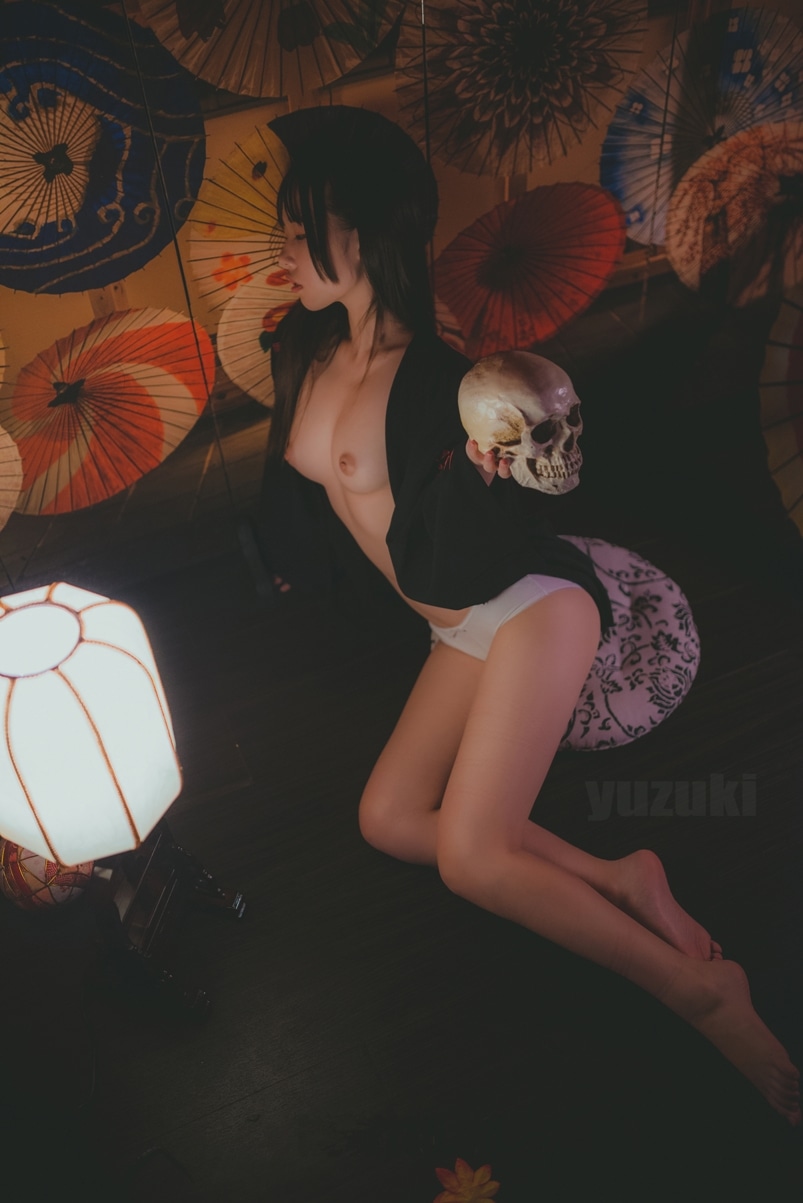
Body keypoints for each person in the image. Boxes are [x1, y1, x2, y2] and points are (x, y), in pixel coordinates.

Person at [257, 128, 800, 1126]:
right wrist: (284, 568)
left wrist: (479, 479)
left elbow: (477, 541)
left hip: (527, 606)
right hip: (455, 627)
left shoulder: (440, 378)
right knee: (388, 819)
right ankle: (619, 877)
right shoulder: (302, 346)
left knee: (472, 856)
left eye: (300, 232)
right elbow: (293, 491)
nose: (282, 251)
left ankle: (702, 996)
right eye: (284, 230)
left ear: (366, 236)